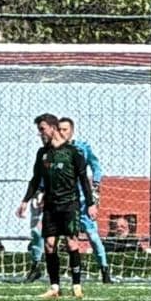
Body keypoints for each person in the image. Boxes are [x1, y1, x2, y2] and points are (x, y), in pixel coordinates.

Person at [16, 113, 97, 299]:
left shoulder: (73, 152)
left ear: (53, 128)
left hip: (70, 204)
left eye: (42, 129)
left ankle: (76, 285)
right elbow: (35, 179)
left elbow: (83, 179)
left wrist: (90, 203)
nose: (40, 133)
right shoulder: (42, 153)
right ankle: (54, 287)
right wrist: (25, 201)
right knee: (49, 244)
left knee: (71, 242)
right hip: (51, 206)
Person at [58, 117, 111, 283]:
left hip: (82, 202)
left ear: (72, 131)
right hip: (62, 202)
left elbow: (96, 165)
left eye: (65, 129)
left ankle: (105, 270)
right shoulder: (53, 150)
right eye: (59, 129)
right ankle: (39, 268)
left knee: (93, 237)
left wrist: (96, 184)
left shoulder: (82, 147)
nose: (61, 132)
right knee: (51, 236)